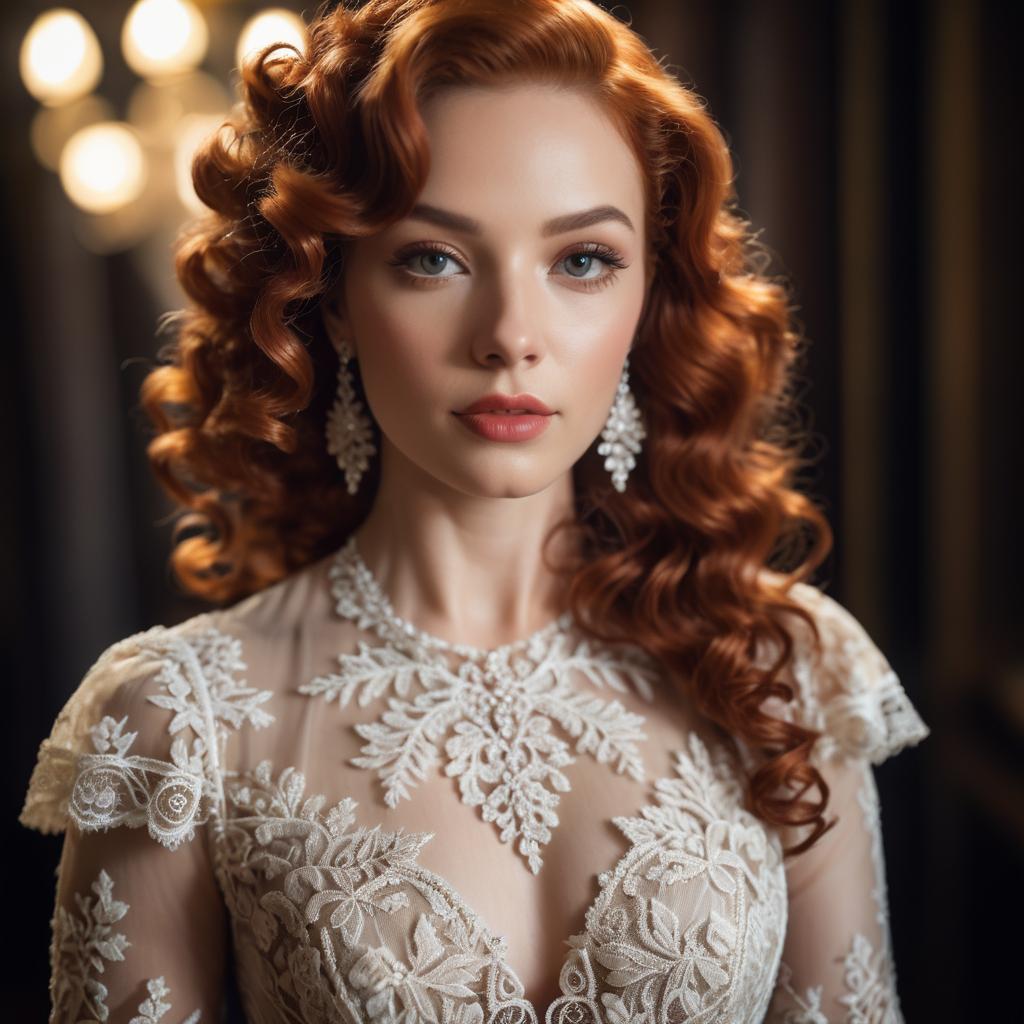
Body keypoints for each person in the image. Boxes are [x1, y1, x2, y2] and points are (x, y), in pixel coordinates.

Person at [20, 0, 931, 1021]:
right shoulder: (178, 722)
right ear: (333, 301)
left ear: (646, 296)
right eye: (434, 258)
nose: (509, 335)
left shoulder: (785, 670)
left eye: (580, 259)